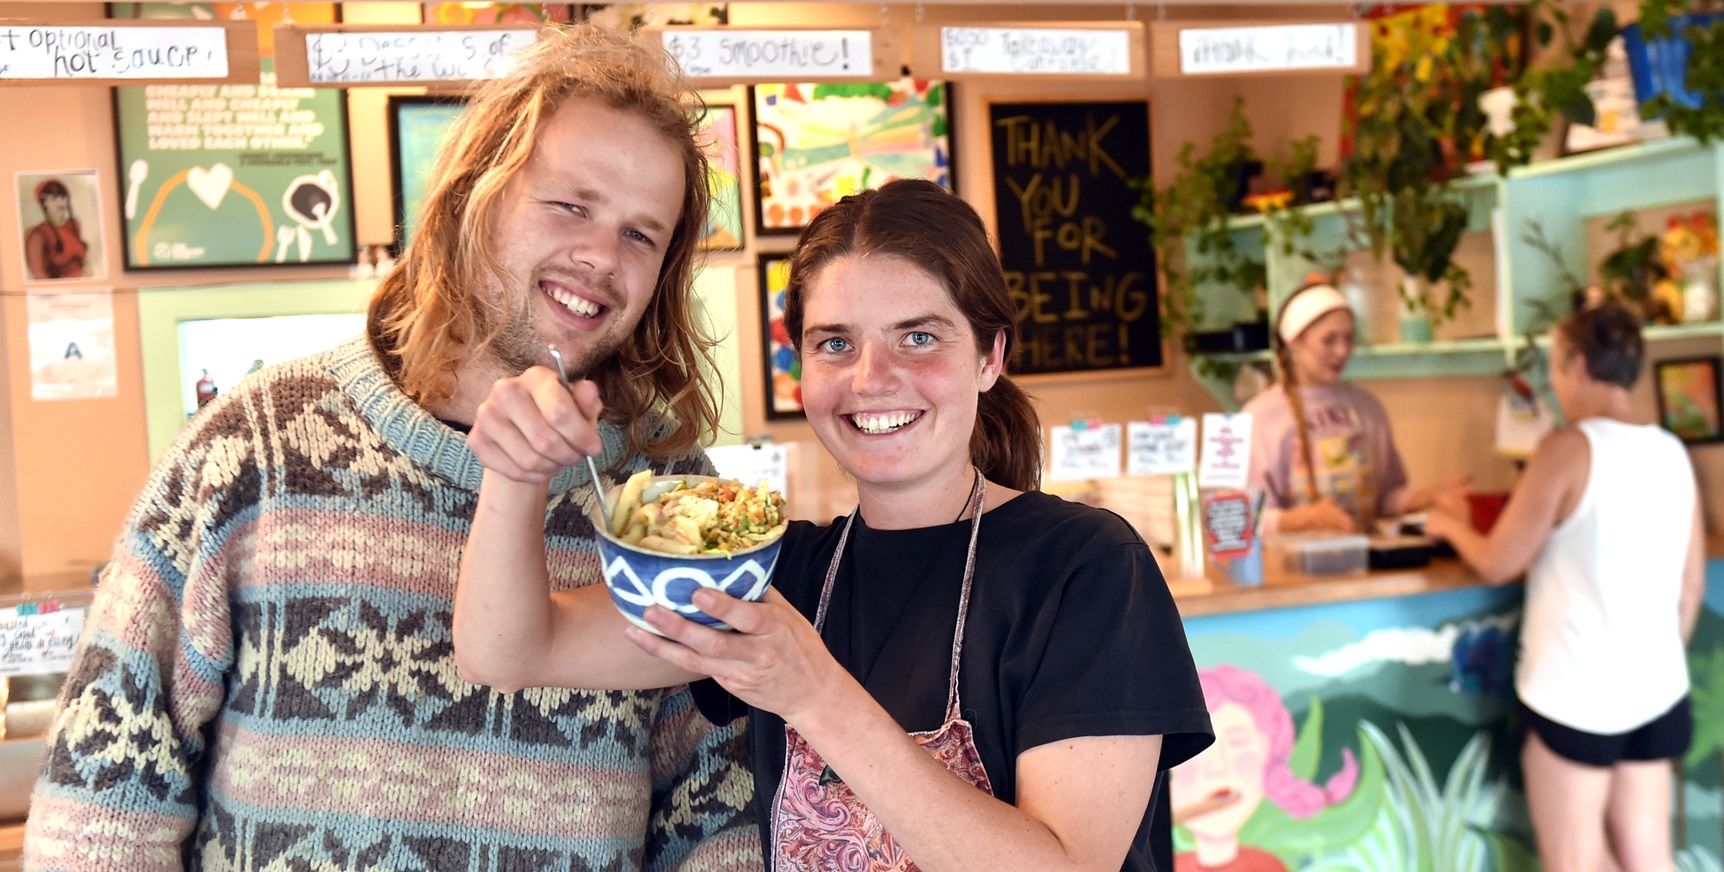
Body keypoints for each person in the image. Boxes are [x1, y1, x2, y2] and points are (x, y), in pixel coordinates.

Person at [25, 25, 758, 871]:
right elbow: (101, 807)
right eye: (570, 205)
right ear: (471, 200)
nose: (600, 256)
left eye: (642, 234)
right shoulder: (252, 450)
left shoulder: (671, 501)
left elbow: (721, 813)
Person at [455, 178, 1215, 871]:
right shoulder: (774, 574)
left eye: (919, 337)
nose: (871, 377)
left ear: (990, 356)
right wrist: (516, 473)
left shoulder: (1086, 567)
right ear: (802, 369)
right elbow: (510, 649)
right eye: (835, 343)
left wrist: (813, 693)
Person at [1423, 300, 1704, 872]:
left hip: (1575, 693)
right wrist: (1646, 666)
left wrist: (1446, 524)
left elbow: (1500, 561)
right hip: (1655, 691)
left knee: (1573, 859)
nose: (1551, 383)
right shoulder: (1672, 451)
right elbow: (1690, 588)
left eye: (1552, 366)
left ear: (1577, 364)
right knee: (1649, 856)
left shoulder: (1567, 450)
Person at [1243, 282, 1468, 534]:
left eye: (1349, 339)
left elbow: (1384, 500)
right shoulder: (1256, 417)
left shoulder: (1368, 408)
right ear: (1294, 342)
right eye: (1329, 340)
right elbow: (1230, 521)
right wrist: (1303, 519)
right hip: (1286, 570)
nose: (1342, 351)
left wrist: (1428, 496)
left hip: (1359, 565)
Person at [1170, 666, 1357, 872]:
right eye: (1196, 748)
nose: (1218, 767)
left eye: (1237, 742)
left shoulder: (1266, 867)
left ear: (1267, 754)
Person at [24, 178, 89, 280]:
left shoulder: (74, 225)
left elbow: (84, 263)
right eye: (54, 199)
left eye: (63, 197)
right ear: (44, 204)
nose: (60, 202)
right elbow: (39, 275)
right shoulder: (38, 235)